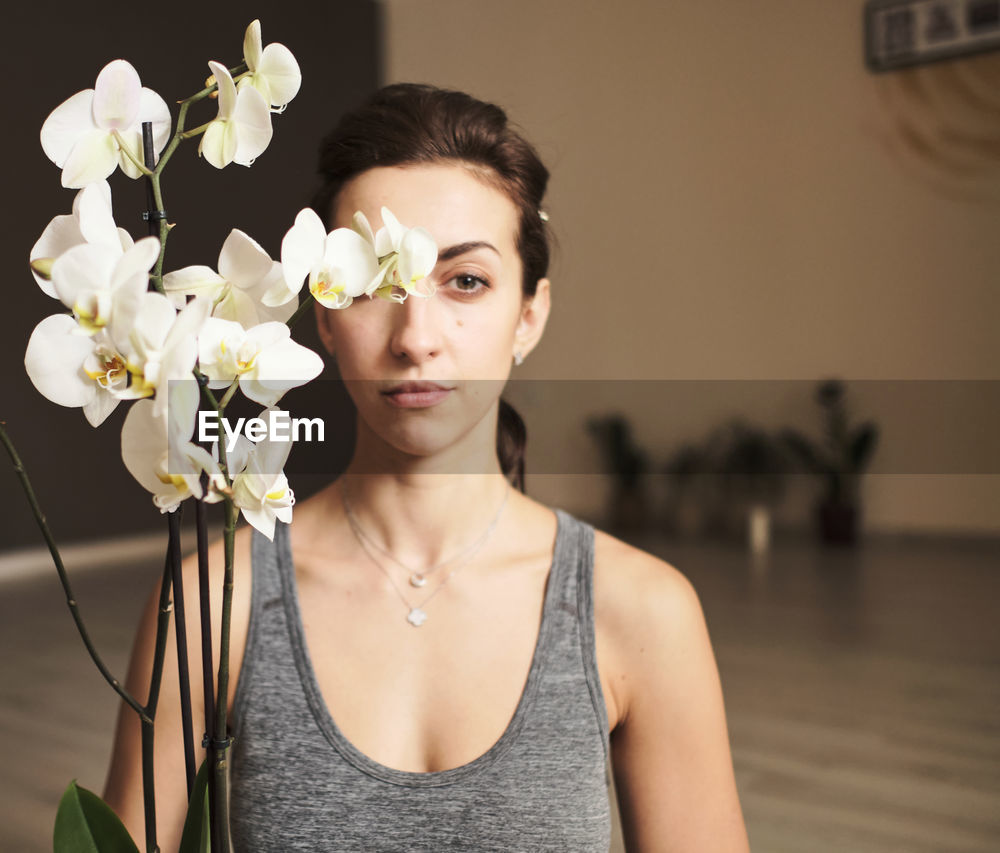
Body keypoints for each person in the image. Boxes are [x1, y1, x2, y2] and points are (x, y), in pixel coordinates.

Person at [102, 84, 750, 852]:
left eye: (465, 281)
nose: (416, 336)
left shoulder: (641, 613)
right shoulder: (215, 603)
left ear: (529, 315)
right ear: (323, 314)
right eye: (376, 285)